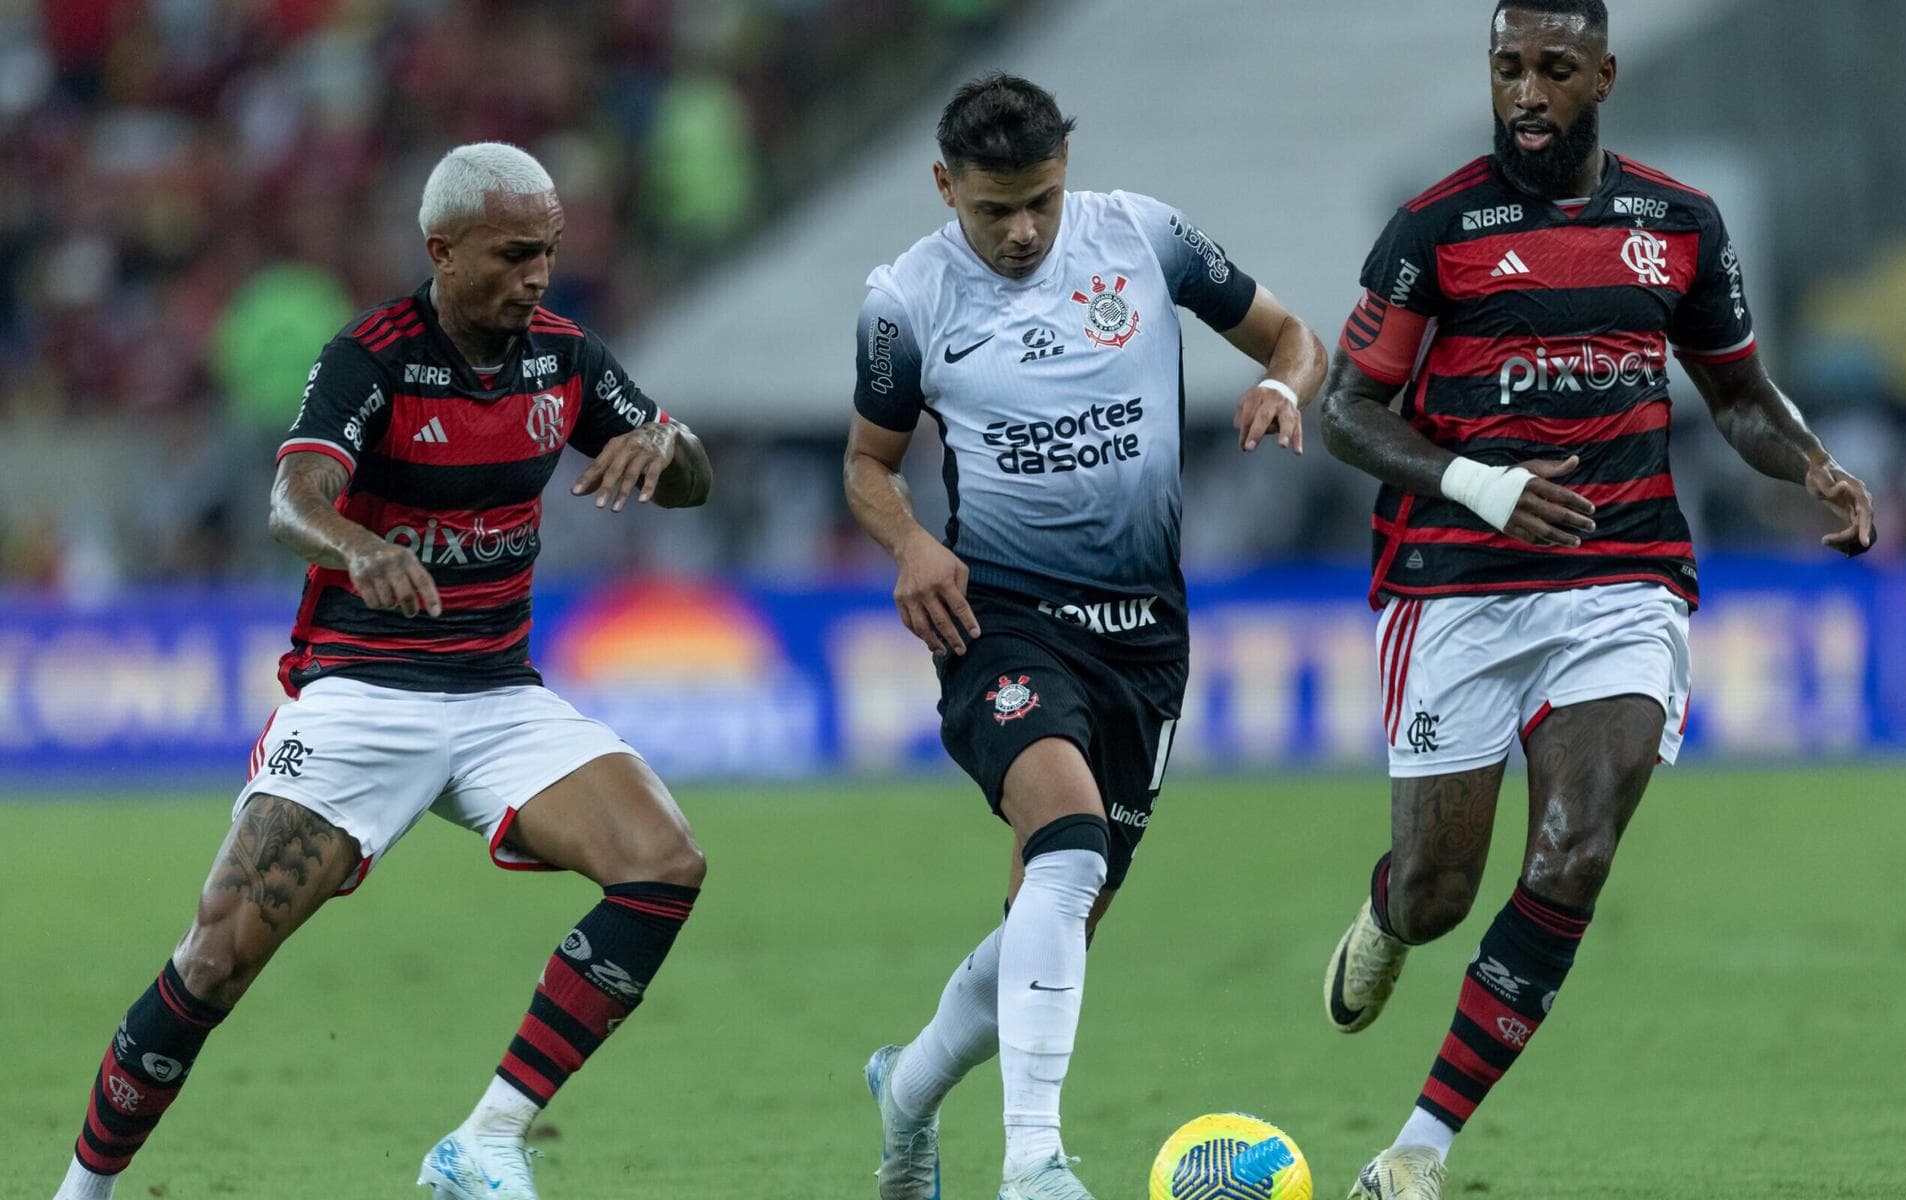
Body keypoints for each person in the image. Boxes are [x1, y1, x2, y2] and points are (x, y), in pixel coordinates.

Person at [48, 142, 714, 1200]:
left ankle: (486, 1140)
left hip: (499, 696)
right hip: (364, 696)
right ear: (442, 251)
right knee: (214, 960)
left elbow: (690, 478)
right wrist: (359, 545)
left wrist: (666, 446)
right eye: (513, 255)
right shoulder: (372, 357)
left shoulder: (565, 358)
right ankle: (80, 1191)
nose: (538, 274)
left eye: (547, 251)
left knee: (664, 863)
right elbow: (292, 500)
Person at [1315, 4, 1875, 1198]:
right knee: (1437, 891)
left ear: (1603, 76)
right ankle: (1386, 917)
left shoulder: (1677, 225)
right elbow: (1349, 413)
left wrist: (1815, 465)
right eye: (1508, 68)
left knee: (1574, 850)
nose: (1527, 91)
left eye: (1553, 70)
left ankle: (1419, 1150)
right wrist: (1483, 485)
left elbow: (1734, 395)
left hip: (1622, 579)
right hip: (1457, 583)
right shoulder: (1436, 227)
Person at [844, 73, 1328, 1200]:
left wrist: (1283, 386)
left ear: (1070, 170)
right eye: (992, 209)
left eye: (1040, 203)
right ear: (943, 187)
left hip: (1147, 638)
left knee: (1052, 920)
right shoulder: (905, 299)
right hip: (997, 620)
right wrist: (913, 544)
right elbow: (867, 467)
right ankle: (1036, 1168)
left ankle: (907, 1093)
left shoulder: (1143, 238)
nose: (1019, 232)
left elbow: (1296, 336)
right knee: (1064, 843)